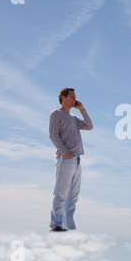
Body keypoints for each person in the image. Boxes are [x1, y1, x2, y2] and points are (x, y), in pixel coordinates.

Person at [49, 88, 93, 232]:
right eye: (72, 97)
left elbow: (89, 126)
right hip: (65, 158)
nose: (74, 99)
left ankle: (69, 226)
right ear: (63, 97)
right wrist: (65, 152)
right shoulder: (56, 114)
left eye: (75, 97)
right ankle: (56, 225)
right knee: (61, 193)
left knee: (73, 196)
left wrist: (82, 109)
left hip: (77, 159)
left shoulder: (74, 118)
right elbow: (53, 135)